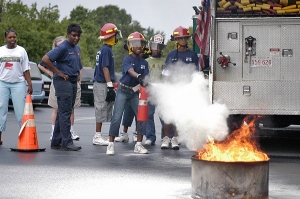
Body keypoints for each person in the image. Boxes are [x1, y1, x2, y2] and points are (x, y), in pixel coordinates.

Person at [106, 31, 149, 155]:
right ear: (130, 46)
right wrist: (139, 76)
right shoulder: (127, 59)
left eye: (140, 43)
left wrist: (146, 81)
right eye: (135, 43)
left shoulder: (144, 63)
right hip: (123, 90)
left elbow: (146, 78)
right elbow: (130, 71)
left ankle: (139, 145)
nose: (138, 46)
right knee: (117, 116)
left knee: (141, 118)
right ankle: (110, 144)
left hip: (136, 92)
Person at [42, 23, 83, 151]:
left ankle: (56, 141)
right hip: (62, 81)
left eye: (78, 36)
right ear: (68, 34)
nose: (76, 38)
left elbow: (76, 64)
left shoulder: (76, 48)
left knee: (63, 111)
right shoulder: (63, 47)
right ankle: (67, 142)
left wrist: (76, 74)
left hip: (72, 81)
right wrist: (58, 72)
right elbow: (45, 59)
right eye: (73, 35)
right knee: (66, 113)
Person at [161, 26, 199, 150]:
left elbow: (195, 73)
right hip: (171, 89)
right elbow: (166, 74)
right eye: (180, 38)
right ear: (176, 40)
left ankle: (175, 138)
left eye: (184, 38)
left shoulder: (192, 55)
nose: (183, 40)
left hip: (185, 90)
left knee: (178, 115)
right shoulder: (171, 55)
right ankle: (166, 138)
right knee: (168, 115)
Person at [0, 28, 33, 145]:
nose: (12, 39)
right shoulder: (1, 51)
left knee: (20, 111)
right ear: (5, 38)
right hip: (2, 83)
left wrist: (29, 84)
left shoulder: (21, 51)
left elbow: (26, 69)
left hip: (18, 83)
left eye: (14, 37)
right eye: (10, 37)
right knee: (1, 109)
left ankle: (24, 137)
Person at [92, 23, 122, 146]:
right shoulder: (106, 50)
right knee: (101, 108)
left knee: (104, 109)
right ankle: (97, 136)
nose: (116, 37)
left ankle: (99, 135)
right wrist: (110, 85)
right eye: (115, 35)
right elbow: (105, 68)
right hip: (102, 83)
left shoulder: (106, 49)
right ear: (111, 36)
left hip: (103, 83)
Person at [144, 34, 166, 145]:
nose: (156, 49)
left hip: (162, 90)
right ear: (150, 47)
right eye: (154, 46)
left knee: (163, 114)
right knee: (149, 114)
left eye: (159, 46)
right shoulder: (146, 61)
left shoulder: (165, 61)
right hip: (150, 90)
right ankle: (150, 137)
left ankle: (165, 136)